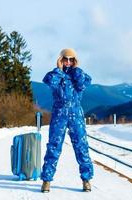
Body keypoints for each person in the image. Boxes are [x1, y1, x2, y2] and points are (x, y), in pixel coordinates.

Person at [40, 48, 94, 193]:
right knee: (53, 146)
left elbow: (83, 84)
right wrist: (58, 69)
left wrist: (76, 69)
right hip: (59, 114)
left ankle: (86, 180)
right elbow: (50, 82)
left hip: (76, 113)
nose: (68, 62)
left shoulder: (80, 75)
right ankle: (46, 180)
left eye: (71, 59)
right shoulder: (55, 75)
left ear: (75, 60)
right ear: (61, 59)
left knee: (81, 146)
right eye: (65, 59)